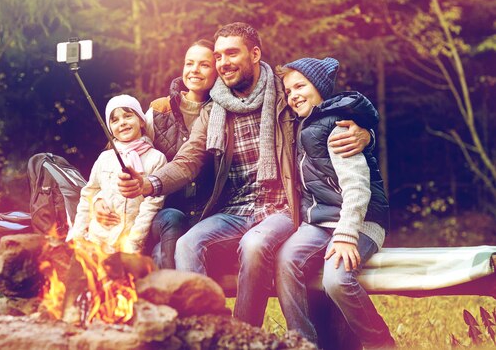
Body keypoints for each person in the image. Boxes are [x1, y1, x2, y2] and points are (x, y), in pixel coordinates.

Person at [117, 22, 371, 327]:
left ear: (254, 54)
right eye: (219, 56)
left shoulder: (282, 93)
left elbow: (328, 110)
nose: (224, 62)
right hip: (236, 209)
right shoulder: (214, 111)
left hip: (284, 207)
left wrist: (365, 131)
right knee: (187, 243)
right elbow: (188, 160)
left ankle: (243, 333)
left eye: (232, 53)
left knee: (253, 244)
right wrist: (148, 183)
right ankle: (211, 330)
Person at [274, 57, 395, 348]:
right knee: (285, 261)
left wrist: (345, 235)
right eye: (288, 91)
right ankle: (303, 343)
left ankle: (381, 343)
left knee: (337, 280)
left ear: (320, 87)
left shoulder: (339, 127)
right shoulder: (303, 126)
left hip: (360, 221)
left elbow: (356, 187)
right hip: (320, 221)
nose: (293, 96)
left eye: (300, 86)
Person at [144, 39, 217, 269]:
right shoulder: (158, 110)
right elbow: (124, 156)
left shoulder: (223, 114)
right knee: (159, 257)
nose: (194, 70)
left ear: (217, 71)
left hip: (206, 219)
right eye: (189, 63)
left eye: (204, 65)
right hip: (165, 219)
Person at [66, 94, 167, 254]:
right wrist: (78, 235)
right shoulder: (105, 157)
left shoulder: (156, 158)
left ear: (141, 121)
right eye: (115, 120)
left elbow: (152, 205)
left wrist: (133, 243)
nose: (123, 123)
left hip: (129, 245)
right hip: (97, 240)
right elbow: (89, 194)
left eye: (128, 116)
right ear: (110, 129)